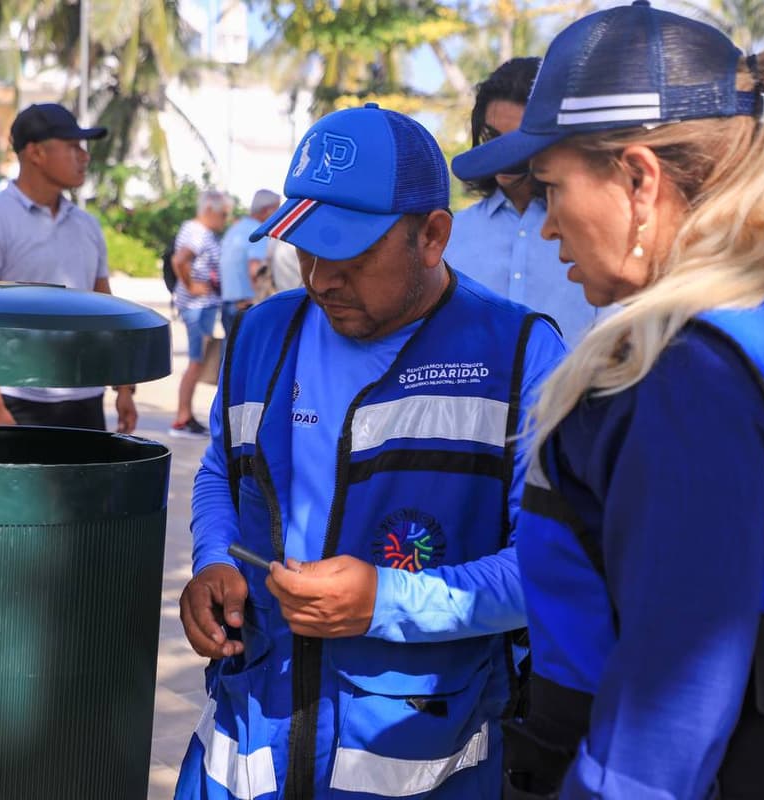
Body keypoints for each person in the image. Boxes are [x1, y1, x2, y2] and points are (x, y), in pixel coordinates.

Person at [452, 4, 764, 798]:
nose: (547, 223)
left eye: (552, 186)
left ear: (638, 178)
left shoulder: (684, 374)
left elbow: (668, 717)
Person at [174, 103, 566, 800]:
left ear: (433, 236)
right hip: (247, 743)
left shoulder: (519, 356)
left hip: (429, 759)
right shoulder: (264, 332)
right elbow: (217, 472)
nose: (321, 278)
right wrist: (213, 559)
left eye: (351, 254)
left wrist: (387, 600)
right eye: (304, 246)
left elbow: (546, 569)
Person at [0, 102, 137, 433]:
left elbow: (104, 307)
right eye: (72, 146)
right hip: (14, 396)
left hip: (85, 396)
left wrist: (123, 388)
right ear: (35, 153)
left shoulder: (87, 226)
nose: (84, 156)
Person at [447, 58, 600, 344]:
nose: (502, 152)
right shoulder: (451, 236)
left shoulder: (590, 232)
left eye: (518, 140)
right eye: (491, 136)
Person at [169, 190, 230, 438]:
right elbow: (180, 260)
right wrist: (191, 285)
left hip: (201, 305)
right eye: (223, 214)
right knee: (196, 361)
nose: (225, 219)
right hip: (197, 306)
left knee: (199, 360)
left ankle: (186, 415)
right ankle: (183, 417)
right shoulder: (197, 232)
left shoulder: (198, 231)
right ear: (209, 210)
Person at [218, 188, 281, 333]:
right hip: (246, 305)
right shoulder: (258, 231)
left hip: (228, 303)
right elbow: (255, 270)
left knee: (230, 353)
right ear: (267, 210)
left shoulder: (235, 228)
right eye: (277, 209)